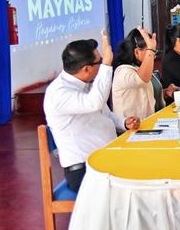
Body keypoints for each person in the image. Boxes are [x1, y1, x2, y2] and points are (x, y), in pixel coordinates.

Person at [43, 31, 141, 192]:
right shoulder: (59, 93)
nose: (101, 65)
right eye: (99, 62)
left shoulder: (86, 83)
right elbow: (94, 104)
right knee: (139, 186)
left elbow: (104, 113)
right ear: (87, 69)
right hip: (85, 171)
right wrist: (107, 65)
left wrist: (124, 122)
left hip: (105, 159)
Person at [112, 27, 176, 119]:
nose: (154, 56)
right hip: (133, 125)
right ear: (136, 52)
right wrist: (150, 49)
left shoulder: (141, 68)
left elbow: (147, 97)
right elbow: (140, 81)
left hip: (153, 121)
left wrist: (165, 93)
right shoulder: (122, 71)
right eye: (151, 51)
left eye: (154, 52)